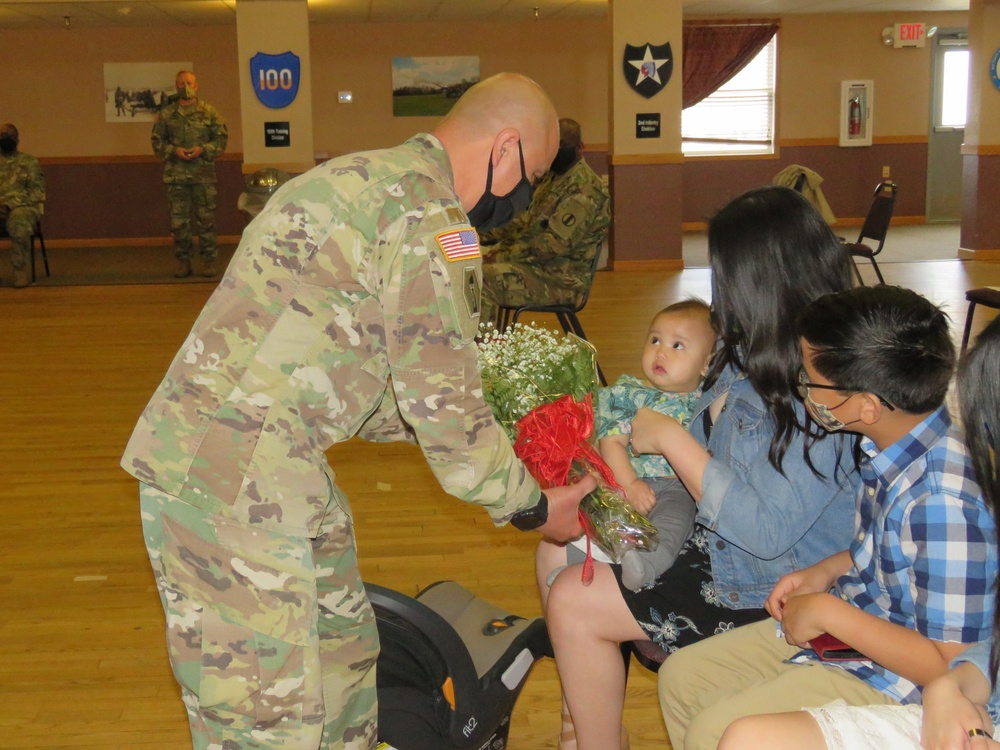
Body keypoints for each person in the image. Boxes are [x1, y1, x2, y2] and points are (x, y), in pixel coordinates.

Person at [122, 72, 596, 750]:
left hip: (272, 466)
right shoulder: (431, 218)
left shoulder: (351, 178)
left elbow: (358, 372)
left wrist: (506, 433)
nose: (527, 196)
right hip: (234, 488)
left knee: (344, 673)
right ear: (506, 147)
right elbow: (448, 419)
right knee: (268, 725)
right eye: (535, 174)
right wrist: (531, 504)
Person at [536, 185, 860, 750]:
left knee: (572, 598)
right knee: (555, 551)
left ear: (755, 283)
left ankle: (591, 738)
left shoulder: (824, 391)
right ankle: (588, 721)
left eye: (724, 276)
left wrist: (670, 439)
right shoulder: (745, 350)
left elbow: (764, 533)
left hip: (768, 583)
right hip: (717, 542)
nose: (718, 293)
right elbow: (670, 412)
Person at [667, 285, 998, 750]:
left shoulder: (945, 501)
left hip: (902, 682)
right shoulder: (893, 443)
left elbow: (953, 664)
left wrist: (828, 612)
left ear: (866, 405)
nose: (801, 384)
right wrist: (827, 570)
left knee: (716, 730)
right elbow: (894, 549)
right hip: (859, 625)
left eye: (810, 377)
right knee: (681, 677)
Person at [587, 299, 716, 591]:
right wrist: (630, 484)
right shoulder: (630, 394)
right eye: (655, 340)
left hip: (680, 489)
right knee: (598, 518)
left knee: (674, 526)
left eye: (677, 345)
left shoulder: (708, 402)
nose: (661, 352)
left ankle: (646, 566)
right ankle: (581, 569)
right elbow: (612, 443)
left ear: (707, 363)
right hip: (628, 480)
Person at [478, 117, 610, 323]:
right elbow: (522, 221)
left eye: (563, 145)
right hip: (537, 268)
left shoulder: (586, 189)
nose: (557, 151)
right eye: (553, 145)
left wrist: (501, 255)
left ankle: (487, 352)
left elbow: (552, 247)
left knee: (481, 280)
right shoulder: (553, 178)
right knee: (470, 271)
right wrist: (480, 234)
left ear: (580, 147)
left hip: (561, 280)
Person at [151, 70, 228, 279]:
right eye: (182, 83)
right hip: (176, 178)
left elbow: (221, 140)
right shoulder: (166, 115)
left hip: (203, 177)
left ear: (197, 86)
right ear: (176, 86)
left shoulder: (209, 112)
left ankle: (209, 262)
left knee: (207, 221)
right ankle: (183, 262)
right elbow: (157, 143)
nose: (186, 86)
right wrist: (173, 151)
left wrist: (203, 149)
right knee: (179, 223)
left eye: (190, 82)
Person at [0, 123, 45, 289]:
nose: (5, 139)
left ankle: (20, 273)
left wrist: (10, 205)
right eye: (2, 136)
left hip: (22, 208)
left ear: (17, 140)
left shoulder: (29, 162)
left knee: (18, 220)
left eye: (9, 136)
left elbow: (36, 193)